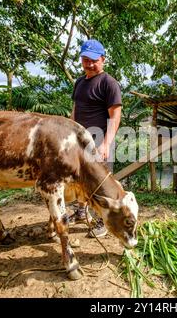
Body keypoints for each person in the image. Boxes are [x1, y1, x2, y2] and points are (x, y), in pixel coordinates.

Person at [68, 39, 122, 238]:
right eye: (85, 60)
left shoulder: (109, 83)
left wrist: (106, 144)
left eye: (93, 60)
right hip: (80, 141)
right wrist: (70, 133)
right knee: (79, 178)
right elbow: (75, 110)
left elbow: (115, 116)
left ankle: (102, 220)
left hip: (100, 140)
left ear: (103, 59)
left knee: (102, 182)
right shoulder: (80, 82)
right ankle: (81, 211)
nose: (89, 64)